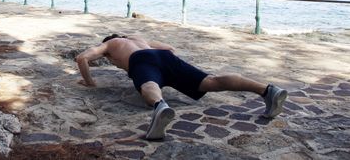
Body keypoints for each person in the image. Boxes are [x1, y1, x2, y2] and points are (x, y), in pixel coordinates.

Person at [75, 34, 288, 140]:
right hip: (164, 57)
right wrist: (169, 72)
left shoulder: (111, 44)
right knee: (211, 81)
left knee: (148, 84)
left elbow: (82, 58)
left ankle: (160, 106)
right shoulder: (138, 38)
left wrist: (90, 82)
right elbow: (169, 48)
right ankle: (268, 90)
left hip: (142, 60)